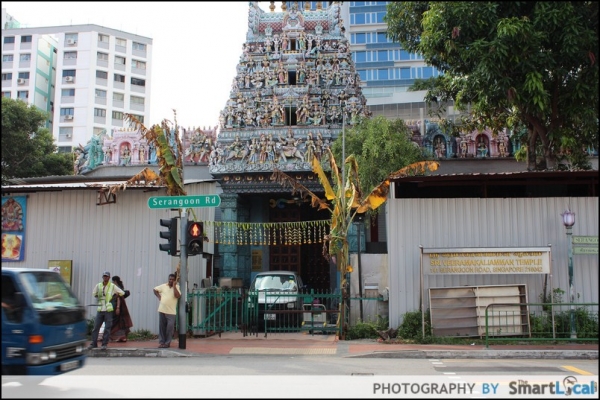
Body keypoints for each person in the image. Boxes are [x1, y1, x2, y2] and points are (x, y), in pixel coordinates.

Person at [88, 271, 125, 350]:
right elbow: (94, 293)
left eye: (107, 276)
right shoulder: (99, 285)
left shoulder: (112, 286)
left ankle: (104, 344)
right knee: (96, 327)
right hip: (100, 308)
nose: (105, 277)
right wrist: (98, 296)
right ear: (102, 277)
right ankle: (93, 343)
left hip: (108, 309)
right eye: (104, 276)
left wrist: (115, 296)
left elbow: (122, 293)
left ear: (109, 277)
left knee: (107, 328)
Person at [153, 273, 181, 348]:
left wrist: (174, 286)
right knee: (162, 327)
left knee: (170, 327)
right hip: (162, 309)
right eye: (169, 279)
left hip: (171, 312)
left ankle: (167, 342)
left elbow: (177, 296)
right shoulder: (163, 286)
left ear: (175, 280)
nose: (170, 281)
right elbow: (155, 289)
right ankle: (162, 342)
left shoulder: (177, 287)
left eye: (172, 279)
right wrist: (159, 297)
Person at [110, 276, 133, 342]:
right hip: (121, 308)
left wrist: (117, 307)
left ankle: (117, 337)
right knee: (121, 322)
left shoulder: (117, 288)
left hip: (117, 308)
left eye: (113, 281)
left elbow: (118, 298)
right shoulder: (120, 288)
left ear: (115, 281)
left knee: (116, 322)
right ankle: (121, 337)